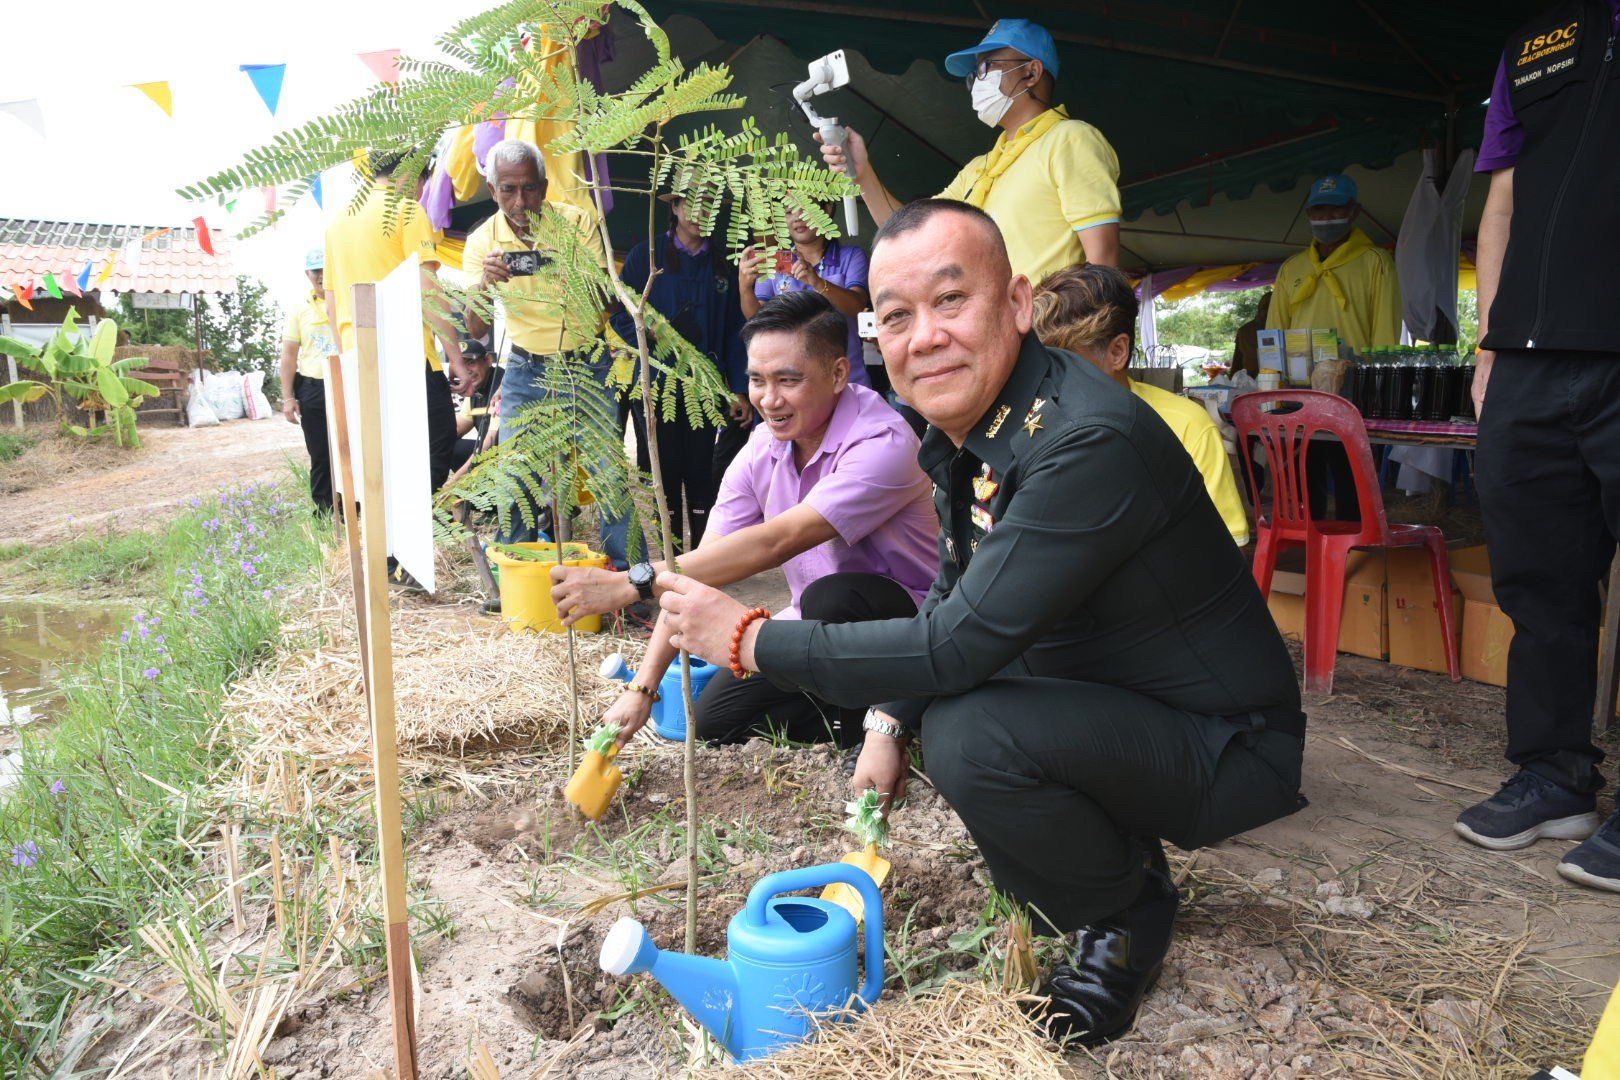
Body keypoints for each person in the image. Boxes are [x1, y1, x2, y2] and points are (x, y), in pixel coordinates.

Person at [656, 200, 1306, 1046]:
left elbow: (954, 644)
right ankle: (1107, 861)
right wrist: (888, 720)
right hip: (1124, 698)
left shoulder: (1082, 439)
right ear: (877, 341)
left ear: (1019, 304)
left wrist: (748, 639)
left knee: (971, 732)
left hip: (1226, 744)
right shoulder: (978, 427)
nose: (925, 335)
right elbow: (954, 595)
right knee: (950, 708)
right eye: (896, 316)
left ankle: (1126, 916)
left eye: (951, 301)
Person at [551, 290, 938, 751]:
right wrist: (643, 688)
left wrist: (634, 583)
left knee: (834, 595)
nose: (768, 399)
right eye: (757, 380)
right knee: (718, 721)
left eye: (787, 380)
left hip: (910, 630)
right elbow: (701, 568)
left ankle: (885, 725)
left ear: (838, 374)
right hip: (814, 632)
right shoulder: (762, 447)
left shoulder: (882, 442)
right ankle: (857, 719)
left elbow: (778, 542)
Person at [1454, 0, 1620, 894]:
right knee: (1540, 579)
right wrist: (1489, 342)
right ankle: (1556, 775)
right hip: (1530, 359)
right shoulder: (1536, 42)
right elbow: (1504, 198)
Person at [819, 19, 1121, 280]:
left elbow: (1103, 262)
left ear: (1031, 73)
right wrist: (863, 174)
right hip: (994, 338)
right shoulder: (981, 167)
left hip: (1050, 341)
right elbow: (909, 231)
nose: (979, 81)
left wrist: (1080, 346)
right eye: (974, 74)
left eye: (987, 67)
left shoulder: (1070, 139)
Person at [461, 138, 629, 565]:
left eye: (530, 188)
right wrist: (487, 285)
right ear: (493, 189)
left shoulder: (577, 222)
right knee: (515, 477)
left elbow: (610, 303)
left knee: (609, 475)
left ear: (547, 185)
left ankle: (627, 578)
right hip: (524, 367)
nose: (520, 202)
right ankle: (517, 573)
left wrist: (573, 266)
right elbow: (475, 328)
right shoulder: (483, 242)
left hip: (587, 363)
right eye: (508, 190)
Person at [1034, 265, 1250, 547]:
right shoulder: (1032, 424)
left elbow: (1226, 547)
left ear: (1117, 352)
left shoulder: (1186, 427)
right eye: (1042, 362)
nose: (1049, 378)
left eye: (1067, 363)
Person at [612, 194, 748, 548]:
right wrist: (647, 331)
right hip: (658, 386)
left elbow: (736, 332)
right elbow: (619, 310)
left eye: (709, 204)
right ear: (673, 207)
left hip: (706, 387)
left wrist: (739, 388)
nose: (700, 213)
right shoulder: (647, 256)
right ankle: (672, 554)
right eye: (691, 203)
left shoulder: (723, 265)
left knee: (702, 472)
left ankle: (701, 556)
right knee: (662, 471)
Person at [322, 149, 462, 493]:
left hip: (359, 360)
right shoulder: (407, 210)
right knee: (436, 443)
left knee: (382, 459)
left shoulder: (338, 222)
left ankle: (389, 541)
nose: (421, 193)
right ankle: (420, 534)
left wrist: (348, 358)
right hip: (407, 358)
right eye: (424, 183)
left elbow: (331, 301)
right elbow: (427, 289)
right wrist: (455, 356)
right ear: (415, 175)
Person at [1267, 174, 1401, 520]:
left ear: (1354, 211)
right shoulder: (1292, 268)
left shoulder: (1375, 262)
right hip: (1299, 393)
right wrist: (1271, 386)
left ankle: (1352, 553)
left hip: (1351, 391)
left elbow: (1385, 333)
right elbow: (1274, 332)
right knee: (1303, 474)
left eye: (1335, 209)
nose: (1326, 218)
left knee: (1349, 477)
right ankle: (1312, 549)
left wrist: (1378, 390)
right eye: (1319, 210)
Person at [739, 205, 872, 389]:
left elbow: (857, 305)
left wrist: (816, 281)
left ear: (827, 208)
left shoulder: (850, 256)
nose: (796, 217)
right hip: (790, 383)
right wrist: (745, 286)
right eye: (788, 211)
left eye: (804, 208)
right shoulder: (774, 260)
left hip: (848, 381)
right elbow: (757, 320)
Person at [280, 247, 335, 514]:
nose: (322, 275)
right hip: (313, 387)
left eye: (327, 268)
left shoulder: (348, 300)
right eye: (316, 270)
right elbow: (289, 356)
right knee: (321, 452)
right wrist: (288, 397)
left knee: (353, 449)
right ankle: (324, 510)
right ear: (308, 274)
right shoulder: (298, 309)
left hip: (348, 386)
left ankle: (356, 507)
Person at [446, 337, 503, 482]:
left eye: (471, 363)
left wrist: (452, 484)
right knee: (449, 446)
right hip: (492, 458)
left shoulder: (501, 386)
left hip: (509, 458)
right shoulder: (475, 388)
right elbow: (456, 428)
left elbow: (489, 444)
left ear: (488, 360)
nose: (467, 371)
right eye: (461, 365)